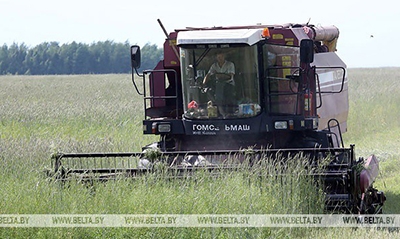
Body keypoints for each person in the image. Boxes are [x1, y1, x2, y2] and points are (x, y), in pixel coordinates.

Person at [202, 52, 235, 117]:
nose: (220, 58)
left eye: (221, 57)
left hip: (229, 84)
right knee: (211, 92)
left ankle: (227, 113)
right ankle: (218, 111)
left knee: (225, 96)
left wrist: (217, 75)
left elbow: (229, 76)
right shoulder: (214, 66)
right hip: (217, 86)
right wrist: (203, 83)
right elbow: (208, 75)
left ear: (224, 56)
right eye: (218, 57)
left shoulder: (230, 64)